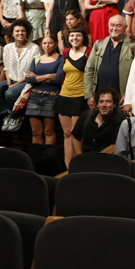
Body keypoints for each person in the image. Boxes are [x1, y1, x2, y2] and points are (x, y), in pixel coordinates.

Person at [0, 19, 41, 131]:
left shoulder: (34, 48)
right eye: (17, 31)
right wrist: (9, 82)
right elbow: (7, 68)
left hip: (26, 81)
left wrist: (14, 85)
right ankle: (8, 113)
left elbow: (32, 72)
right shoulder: (8, 48)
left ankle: (15, 116)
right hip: (12, 79)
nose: (20, 33)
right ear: (12, 33)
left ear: (27, 33)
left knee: (9, 94)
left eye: (23, 31)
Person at [84, 14, 135, 109]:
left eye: (119, 25)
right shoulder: (98, 44)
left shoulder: (133, 46)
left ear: (125, 27)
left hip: (121, 101)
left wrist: (129, 96)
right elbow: (89, 70)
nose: (115, 28)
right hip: (99, 100)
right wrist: (89, 95)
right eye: (112, 25)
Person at [24, 33, 64, 147]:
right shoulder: (37, 59)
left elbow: (58, 79)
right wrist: (48, 76)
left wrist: (37, 78)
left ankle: (48, 159)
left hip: (51, 96)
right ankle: (36, 158)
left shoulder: (60, 59)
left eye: (50, 43)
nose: (47, 45)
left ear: (55, 44)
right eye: (45, 43)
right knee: (36, 132)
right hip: (34, 96)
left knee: (48, 131)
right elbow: (28, 79)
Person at [57, 28, 89, 167]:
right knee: (66, 133)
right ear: (68, 38)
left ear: (83, 38)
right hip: (64, 95)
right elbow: (64, 75)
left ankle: (78, 165)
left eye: (78, 35)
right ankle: (67, 166)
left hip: (80, 96)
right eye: (72, 35)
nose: (75, 38)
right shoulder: (65, 52)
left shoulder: (88, 51)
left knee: (76, 134)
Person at [72, 87, 125, 156]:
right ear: (97, 104)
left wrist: (95, 160)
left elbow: (115, 146)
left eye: (108, 101)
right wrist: (80, 157)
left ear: (114, 104)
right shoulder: (86, 115)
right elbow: (75, 138)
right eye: (101, 102)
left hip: (106, 161)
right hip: (84, 159)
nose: (104, 105)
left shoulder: (120, 119)